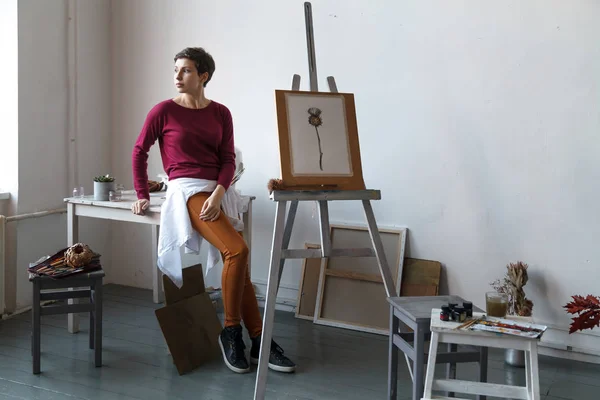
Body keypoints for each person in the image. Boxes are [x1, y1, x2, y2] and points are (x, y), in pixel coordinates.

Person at [130, 47, 296, 374]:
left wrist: (220, 192)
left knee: (241, 264)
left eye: (186, 71)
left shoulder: (221, 113)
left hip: (218, 191)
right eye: (176, 70)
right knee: (237, 251)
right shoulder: (162, 111)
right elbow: (139, 151)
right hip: (187, 190)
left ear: (203, 75)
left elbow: (227, 159)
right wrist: (141, 193)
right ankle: (231, 331)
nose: (178, 77)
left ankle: (260, 340)